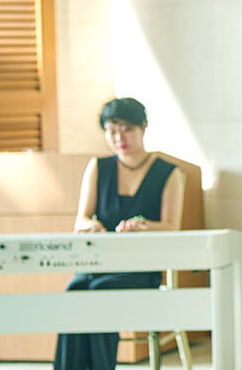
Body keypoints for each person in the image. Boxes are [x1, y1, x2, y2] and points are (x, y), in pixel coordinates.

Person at [54, 97, 186, 370]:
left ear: (143, 127)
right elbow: (81, 218)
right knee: (75, 289)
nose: (118, 137)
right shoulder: (98, 167)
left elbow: (172, 226)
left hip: (141, 269)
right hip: (100, 263)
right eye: (111, 130)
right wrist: (90, 225)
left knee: (101, 294)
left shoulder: (169, 174)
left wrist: (143, 226)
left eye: (126, 129)